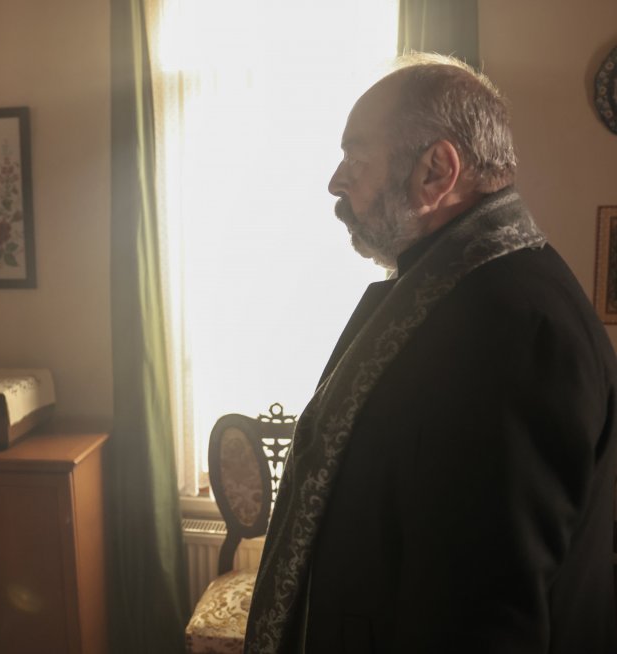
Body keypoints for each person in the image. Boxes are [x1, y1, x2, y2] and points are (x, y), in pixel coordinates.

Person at [245, 54, 617, 653]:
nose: (336, 182)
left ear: (437, 171)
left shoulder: (512, 328)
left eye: (355, 158)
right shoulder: (454, 292)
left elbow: (486, 619)